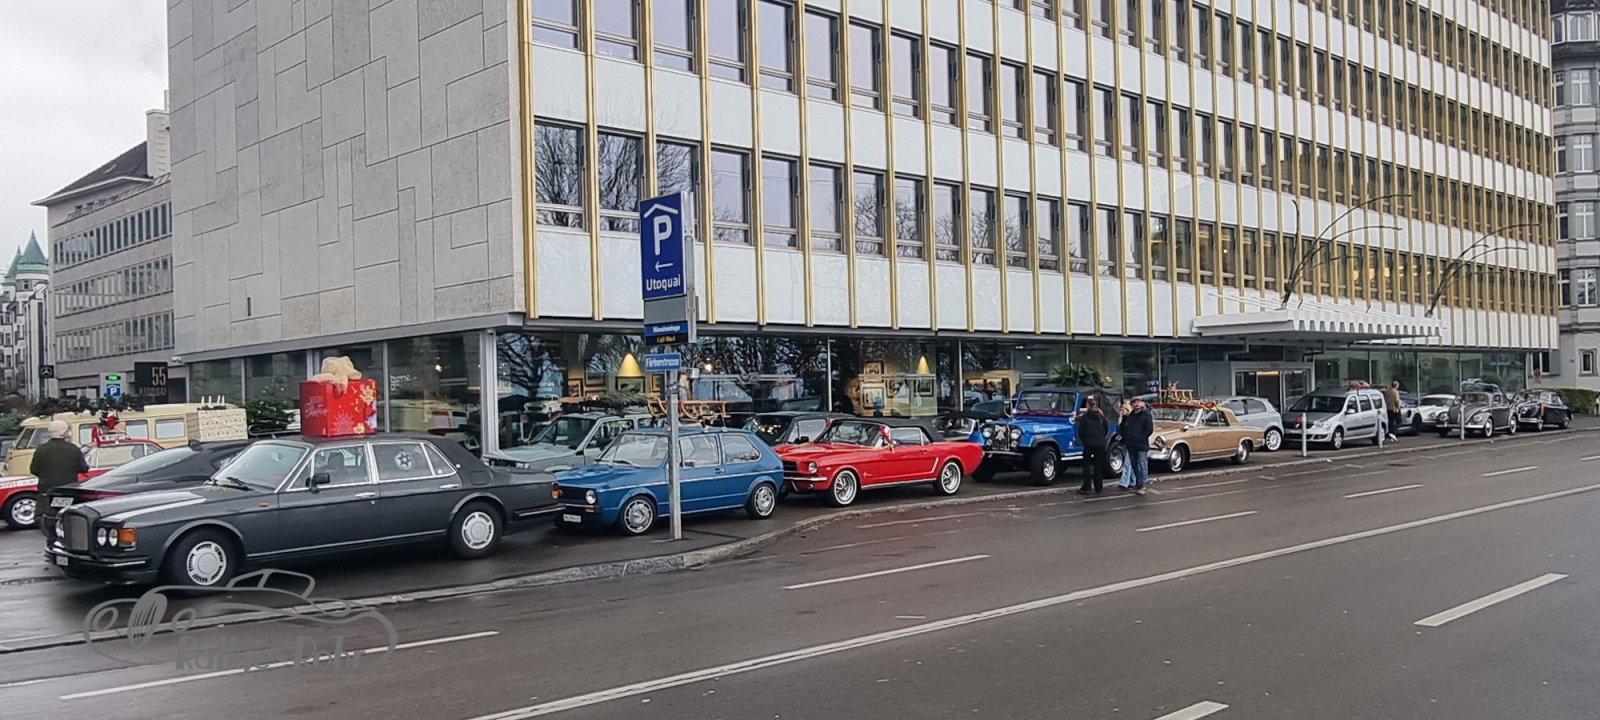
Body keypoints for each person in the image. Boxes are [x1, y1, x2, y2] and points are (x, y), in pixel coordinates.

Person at [30, 420, 88, 494]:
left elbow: (33, 470)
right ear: (63, 432)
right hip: (68, 489)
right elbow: (83, 468)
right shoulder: (73, 449)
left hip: (47, 490)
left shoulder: (41, 449)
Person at [1074, 397, 1110, 495]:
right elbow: (1106, 429)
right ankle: (1098, 487)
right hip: (1100, 443)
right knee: (1098, 466)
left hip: (1089, 443)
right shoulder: (1101, 416)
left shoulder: (1085, 417)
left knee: (1087, 466)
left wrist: (1084, 440)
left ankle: (1087, 486)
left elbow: (1081, 431)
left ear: (1087, 406)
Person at [1119, 397, 1154, 495]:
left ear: (1142, 403)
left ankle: (1143, 484)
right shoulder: (1130, 416)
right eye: (1134, 402)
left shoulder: (1146, 415)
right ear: (1132, 405)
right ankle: (1138, 482)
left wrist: (1140, 438)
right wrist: (1124, 419)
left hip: (1141, 445)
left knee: (1142, 464)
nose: (1137, 404)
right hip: (1131, 445)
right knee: (1134, 465)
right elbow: (1123, 429)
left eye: (1139, 402)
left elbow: (1149, 429)